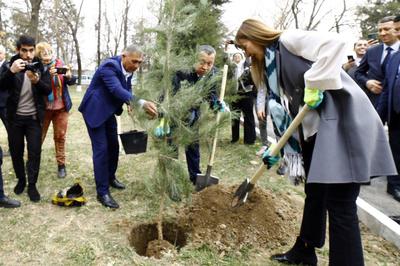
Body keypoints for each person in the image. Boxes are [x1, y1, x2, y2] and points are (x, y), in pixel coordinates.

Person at [234, 19, 396, 266]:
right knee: (315, 192)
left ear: (254, 35)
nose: (243, 51)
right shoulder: (270, 64)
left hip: (343, 124)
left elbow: (336, 44)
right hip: (316, 132)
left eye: (242, 44)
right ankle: (305, 249)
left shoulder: (287, 40)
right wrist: (278, 149)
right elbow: (286, 111)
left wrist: (315, 82)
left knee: (341, 205)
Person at [78, 45, 157, 209]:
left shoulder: (129, 69)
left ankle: (110, 177)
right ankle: (102, 192)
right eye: (134, 61)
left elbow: (126, 87)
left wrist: (130, 103)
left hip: (109, 112)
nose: (136, 66)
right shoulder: (109, 66)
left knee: (114, 146)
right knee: (101, 150)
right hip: (95, 110)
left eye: (140, 63)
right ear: (124, 56)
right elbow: (115, 88)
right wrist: (140, 102)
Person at [0, 35, 51, 202]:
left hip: (34, 119)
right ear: (18, 50)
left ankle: (32, 185)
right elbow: (1, 86)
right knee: (16, 152)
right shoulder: (9, 65)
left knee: (35, 152)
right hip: (14, 119)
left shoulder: (40, 66)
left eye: (31, 50)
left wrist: (36, 81)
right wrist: (11, 71)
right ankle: (21, 180)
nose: (28, 55)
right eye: (24, 51)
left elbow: (47, 90)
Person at [166, 45, 223, 185]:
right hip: (175, 113)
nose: (205, 67)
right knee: (172, 145)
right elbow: (170, 95)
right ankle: (172, 179)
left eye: (209, 63)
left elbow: (212, 95)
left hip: (194, 114)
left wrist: (216, 105)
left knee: (192, 145)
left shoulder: (213, 74)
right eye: (202, 62)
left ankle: (195, 176)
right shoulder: (181, 72)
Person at [36, 42, 76, 178]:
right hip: (44, 109)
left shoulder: (60, 65)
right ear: (39, 55)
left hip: (61, 108)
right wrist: (46, 73)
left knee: (60, 137)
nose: (47, 56)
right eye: (44, 53)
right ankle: (33, 163)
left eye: (49, 52)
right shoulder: (37, 67)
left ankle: (61, 165)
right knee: (38, 137)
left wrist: (69, 75)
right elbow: (37, 85)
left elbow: (71, 81)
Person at [377, 14, 400, 202]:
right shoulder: (393, 57)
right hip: (396, 114)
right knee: (396, 151)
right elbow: (387, 89)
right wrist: (379, 118)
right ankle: (395, 185)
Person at [355, 16, 400, 109]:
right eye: (380, 30)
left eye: (387, 29)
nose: (382, 33)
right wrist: (367, 82)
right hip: (376, 102)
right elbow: (358, 72)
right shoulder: (371, 51)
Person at [230, 53, 256, 145]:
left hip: (247, 94)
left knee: (248, 116)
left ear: (242, 57)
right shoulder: (231, 67)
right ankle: (234, 138)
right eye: (235, 56)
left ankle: (249, 140)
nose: (237, 57)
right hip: (234, 95)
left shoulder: (247, 65)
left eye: (238, 56)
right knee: (234, 116)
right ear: (232, 58)